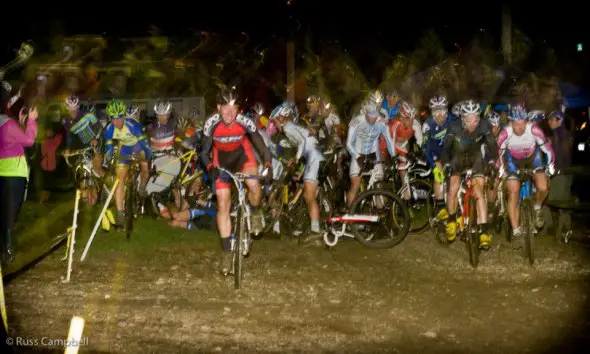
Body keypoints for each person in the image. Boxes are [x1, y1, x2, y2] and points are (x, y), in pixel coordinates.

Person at [200, 87, 272, 275]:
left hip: (243, 157)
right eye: (226, 108)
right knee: (223, 204)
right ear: (218, 107)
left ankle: (255, 212)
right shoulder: (211, 124)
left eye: (234, 108)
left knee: (254, 185)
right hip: (221, 161)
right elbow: (203, 152)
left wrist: (268, 165)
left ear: (239, 109)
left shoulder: (245, 121)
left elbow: (262, 146)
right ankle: (226, 253)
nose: (230, 113)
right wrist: (209, 168)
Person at [440, 100, 497, 249]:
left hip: (475, 158)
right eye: (468, 120)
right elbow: (445, 149)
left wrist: (491, 162)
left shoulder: (484, 125)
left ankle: (484, 231)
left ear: (479, 117)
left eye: (475, 119)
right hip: (457, 158)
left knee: (478, 190)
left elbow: (492, 146)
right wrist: (446, 164)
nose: (473, 123)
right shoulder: (454, 126)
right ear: (462, 119)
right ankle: (452, 220)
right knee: (453, 186)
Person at [497, 104, 555, 241]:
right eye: (516, 124)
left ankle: (537, 206)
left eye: (523, 123)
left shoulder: (534, 130)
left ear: (527, 121)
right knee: (513, 190)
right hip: (513, 161)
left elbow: (548, 150)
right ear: (510, 122)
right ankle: (516, 229)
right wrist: (499, 168)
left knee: (543, 186)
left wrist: (551, 165)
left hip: (533, 159)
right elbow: (498, 153)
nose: (520, 128)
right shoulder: (505, 133)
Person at [270, 103, 325, 243]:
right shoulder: (294, 127)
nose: (274, 125)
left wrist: (295, 159)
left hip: (314, 158)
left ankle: (315, 231)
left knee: (309, 196)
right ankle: (315, 231)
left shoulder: (288, 128)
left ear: (282, 118)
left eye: (275, 121)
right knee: (307, 194)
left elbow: (302, 142)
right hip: (315, 157)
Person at [0, 82, 38, 265]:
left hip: (2, 172)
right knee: (10, 213)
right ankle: (7, 251)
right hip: (14, 173)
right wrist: (31, 120)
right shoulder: (7, 125)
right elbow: (29, 141)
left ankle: (4, 250)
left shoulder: (5, 123)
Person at [103, 99, 152, 226]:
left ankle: (142, 187)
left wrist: (146, 156)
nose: (116, 122)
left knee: (144, 166)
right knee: (119, 180)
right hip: (124, 148)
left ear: (124, 116)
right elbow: (108, 148)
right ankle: (120, 213)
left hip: (138, 145)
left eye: (119, 118)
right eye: (112, 119)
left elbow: (144, 145)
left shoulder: (133, 125)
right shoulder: (109, 129)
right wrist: (109, 157)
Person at [346, 91, 396, 207]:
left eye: (379, 103)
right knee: (355, 184)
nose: (377, 105)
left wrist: (394, 156)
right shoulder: (358, 118)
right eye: (375, 102)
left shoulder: (382, 117)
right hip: (358, 153)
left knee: (379, 183)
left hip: (374, 154)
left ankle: (380, 209)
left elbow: (388, 140)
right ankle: (349, 215)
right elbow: (349, 144)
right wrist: (357, 156)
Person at [422, 95, 456, 219]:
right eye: (436, 111)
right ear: (432, 112)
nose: (440, 115)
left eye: (442, 110)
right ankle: (441, 206)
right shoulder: (428, 125)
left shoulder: (452, 120)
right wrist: (434, 165)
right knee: (439, 174)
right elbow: (425, 148)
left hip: (449, 150)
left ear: (447, 110)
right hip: (434, 152)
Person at [39, 122, 63, 204]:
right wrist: (59, 136)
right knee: (45, 185)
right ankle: (42, 201)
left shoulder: (49, 140)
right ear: (46, 132)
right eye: (49, 131)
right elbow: (55, 145)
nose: (50, 132)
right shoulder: (45, 141)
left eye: (51, 131)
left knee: (49, 185)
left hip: (51, 165)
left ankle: (45, 200)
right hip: (46, 166)